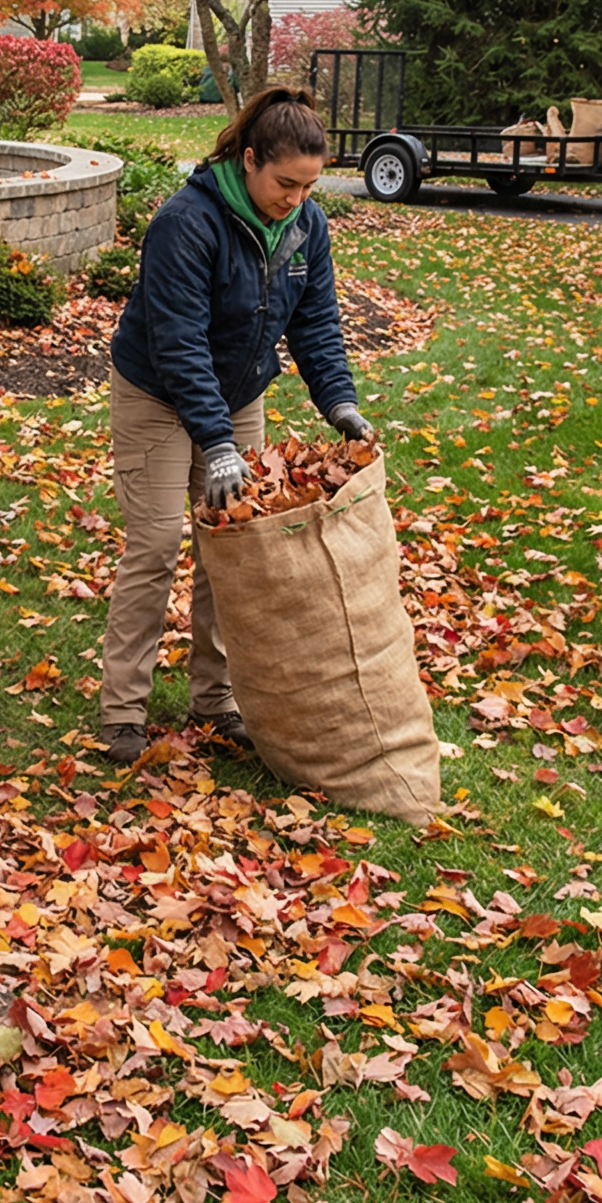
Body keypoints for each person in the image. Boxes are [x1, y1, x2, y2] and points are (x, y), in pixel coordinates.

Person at [101, 86, 372, 765]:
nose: (296, 199)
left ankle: (216, 701)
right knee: (159, 544)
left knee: (236, 547)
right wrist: (217, 444)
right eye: (285, 183)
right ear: (249, 160)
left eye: (309, 187)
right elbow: (179, 341)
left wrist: (340, 404)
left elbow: (315, 326)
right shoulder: (186, 223)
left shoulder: (307, 228)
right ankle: (122, 713)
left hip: (239, 391)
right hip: (158, 394)